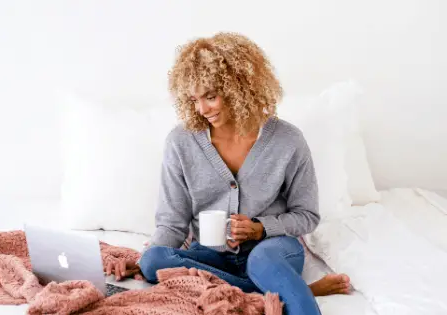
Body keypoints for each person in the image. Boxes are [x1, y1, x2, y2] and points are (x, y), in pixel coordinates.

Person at [105, 32, 350, 315]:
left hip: (272, 249)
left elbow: (307, 216)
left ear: (240, 88)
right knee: (153, 262)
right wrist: (147, 258)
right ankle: (288, 291)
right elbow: (172, 223)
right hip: (210, 255)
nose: (202, 109)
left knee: (262, 261)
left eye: (211, 96)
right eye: (195, 99)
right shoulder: (181, 142)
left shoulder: (288, 141)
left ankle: (287, 294)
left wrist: (260, 228)